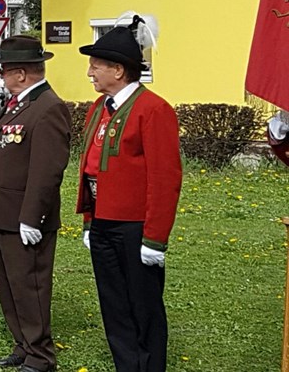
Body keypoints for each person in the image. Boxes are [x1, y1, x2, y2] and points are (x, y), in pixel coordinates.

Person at [77, 21, 182, 372]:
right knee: (114, 303)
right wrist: (90, 220)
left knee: (143, 305)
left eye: (96, 65)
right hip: (104, 221)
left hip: (136, 226)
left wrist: (155, 238)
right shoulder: (98, 107)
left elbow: (165, 179)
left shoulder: (153, 110)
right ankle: (127, 365)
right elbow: (91, 169)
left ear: (118, 70)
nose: (90, 72)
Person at [0, 35, 71, 372]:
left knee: (29, 286)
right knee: (8, 285)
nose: (1, 78)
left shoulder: (48, 107)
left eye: (4, 72)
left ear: (19, 74)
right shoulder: (19, 102)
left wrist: (33, 217)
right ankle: (23, 344)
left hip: (22, 217)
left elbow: (47, 171)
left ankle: (41, 355)